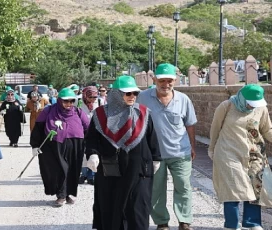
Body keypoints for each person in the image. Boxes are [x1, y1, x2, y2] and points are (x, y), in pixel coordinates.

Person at [85, 75, 161, 230]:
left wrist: (156, 158)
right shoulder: (100, 115)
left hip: (139, 170)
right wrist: (92, 154)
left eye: (135, 93)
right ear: (117, 94)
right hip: (110, 171)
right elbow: (92, 139)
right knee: (111, 207)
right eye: (128, 93)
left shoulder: (143, 114)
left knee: (137, 208)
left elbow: (152, 138)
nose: (132, 96)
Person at [136, 63, 197, 230]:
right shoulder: (143, 97)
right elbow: (135, 122)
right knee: (156, 190)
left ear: (175, 81)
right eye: (162, 81)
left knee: (184, 186)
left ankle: (184, 221)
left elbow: (190, 124)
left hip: (180, 152)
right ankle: (161, 222)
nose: (166, 84)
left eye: (169, 81)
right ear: (154, 79)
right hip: (154, 154)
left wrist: (192, 146)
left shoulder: (183, 100)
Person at [209, 84, 272, 230]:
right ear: (242, 98)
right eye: (250, 103)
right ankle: (231, 225)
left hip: (255, 154)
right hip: (228, 153)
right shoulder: (227, 106)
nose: (252, 107)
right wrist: (211, 149)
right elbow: (215, 128)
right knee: (233, 189)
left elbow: (266, 129)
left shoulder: (261, 108)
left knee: (256, 187)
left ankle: (252, 223)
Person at [30, 88, 89, 207]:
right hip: (54, 146)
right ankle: (60, 195)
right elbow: (38, 128)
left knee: (72, 170)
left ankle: (67, 194)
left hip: (75, 145)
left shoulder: (78, 112)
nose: (69, 104)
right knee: (59, 169)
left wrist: (90, 146)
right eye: (66, 101)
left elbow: (88, 128)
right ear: (59, 100)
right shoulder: (49, 111)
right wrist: (35, 145)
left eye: (72, 101)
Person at [78, 86, 101, 185]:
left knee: (93, 152)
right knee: (82, 154)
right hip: (81, 131)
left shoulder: (99, 103)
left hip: (95, 132)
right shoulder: (78, 102)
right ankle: (83, 174)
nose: (92, 99)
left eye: (94, 97)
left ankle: (92, 175)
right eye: (90, 97)